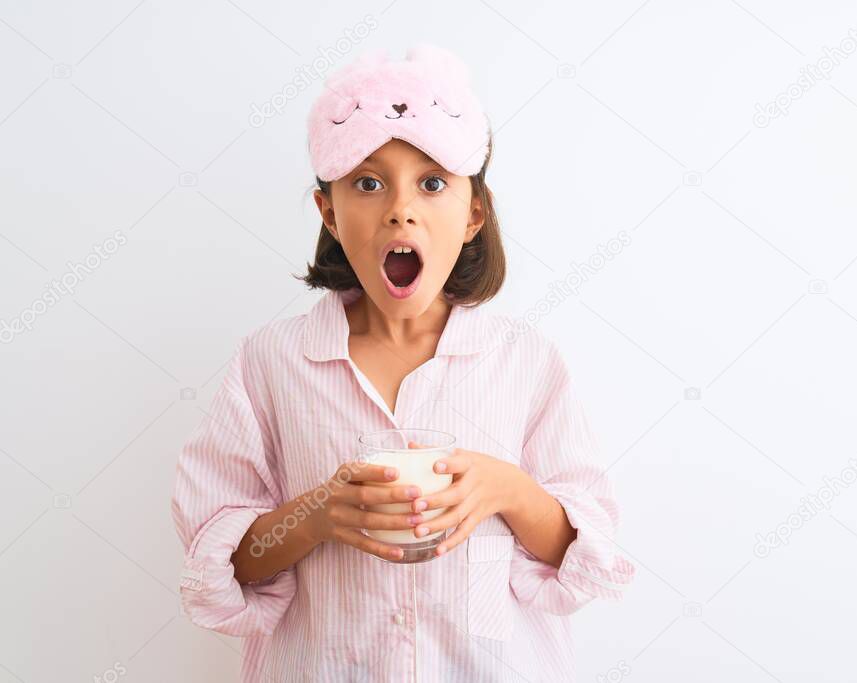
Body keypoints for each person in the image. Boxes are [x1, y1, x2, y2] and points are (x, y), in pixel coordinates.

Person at [170, 42, 636, 682]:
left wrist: (508, 489)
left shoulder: (524, 362)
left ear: (473, 213)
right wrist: (320, 513)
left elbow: (584, 562)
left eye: (433, 182)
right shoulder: (270, 364)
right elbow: (222, 563)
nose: (400, 206)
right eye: (367, 182)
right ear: (329, 212)